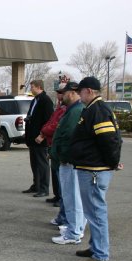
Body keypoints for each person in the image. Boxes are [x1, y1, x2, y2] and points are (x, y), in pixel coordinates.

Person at [70, 76, 122, 261]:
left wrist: (112, 162)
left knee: (96, 212)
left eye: (80, 91)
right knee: (92, 212)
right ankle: (95, 247)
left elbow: (109, 140)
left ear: (89, 91)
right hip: (91, 168)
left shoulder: (97, 110)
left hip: (94, 170)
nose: (78, 94)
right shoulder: (93, 108)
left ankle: (101, 255)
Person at [49, 82, 86, 245]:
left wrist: (62, 156)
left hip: (69, 162)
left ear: (71, 93)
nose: (61, 96)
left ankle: (74, 232)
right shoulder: (72, 110)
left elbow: (69, 137)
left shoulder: (76, 111)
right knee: (73, 198)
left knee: (73, 198)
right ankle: (75, 228)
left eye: (63, 93)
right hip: (67, 161)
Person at [36, 84, 67, 206]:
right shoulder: (59, 106)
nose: (58, 94)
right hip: (52, 143)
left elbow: (56, 125)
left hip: (59, 144)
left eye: (61, 92)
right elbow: (51, 121)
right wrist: (44, 130)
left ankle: (61, 198)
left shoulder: (66, 108)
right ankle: (57, 195)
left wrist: (43, 132)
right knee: (55, 171)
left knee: (60, 173)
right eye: (58, 92)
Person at [23, 80, 54, 197]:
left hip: (40, 139)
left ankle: (44, 188)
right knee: (34, 164)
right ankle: (36, 185)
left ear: (39, 87)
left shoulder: (46, 101)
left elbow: (48, 120)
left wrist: (42, 135)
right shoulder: (35, 100)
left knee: (42, 164)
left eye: (32, 87)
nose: (31, 89)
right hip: (32, 139)